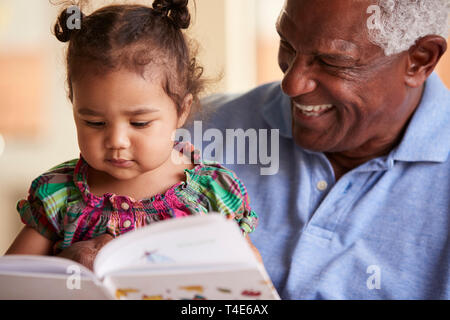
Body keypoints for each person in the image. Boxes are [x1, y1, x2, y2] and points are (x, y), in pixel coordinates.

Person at [194, 0, 450, 299]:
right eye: (286, 44)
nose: (291, 84)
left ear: (420, 60)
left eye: (332, 62)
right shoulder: (192, 136)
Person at [5, 0, 258, 270]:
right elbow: (12, 282)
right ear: (74, 105)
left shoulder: (212, 193)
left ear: (182, 111)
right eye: (95, 122)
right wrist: (67, 266)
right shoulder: (58, 195)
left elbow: (252, 276)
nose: (116, 141)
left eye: (139, 123)